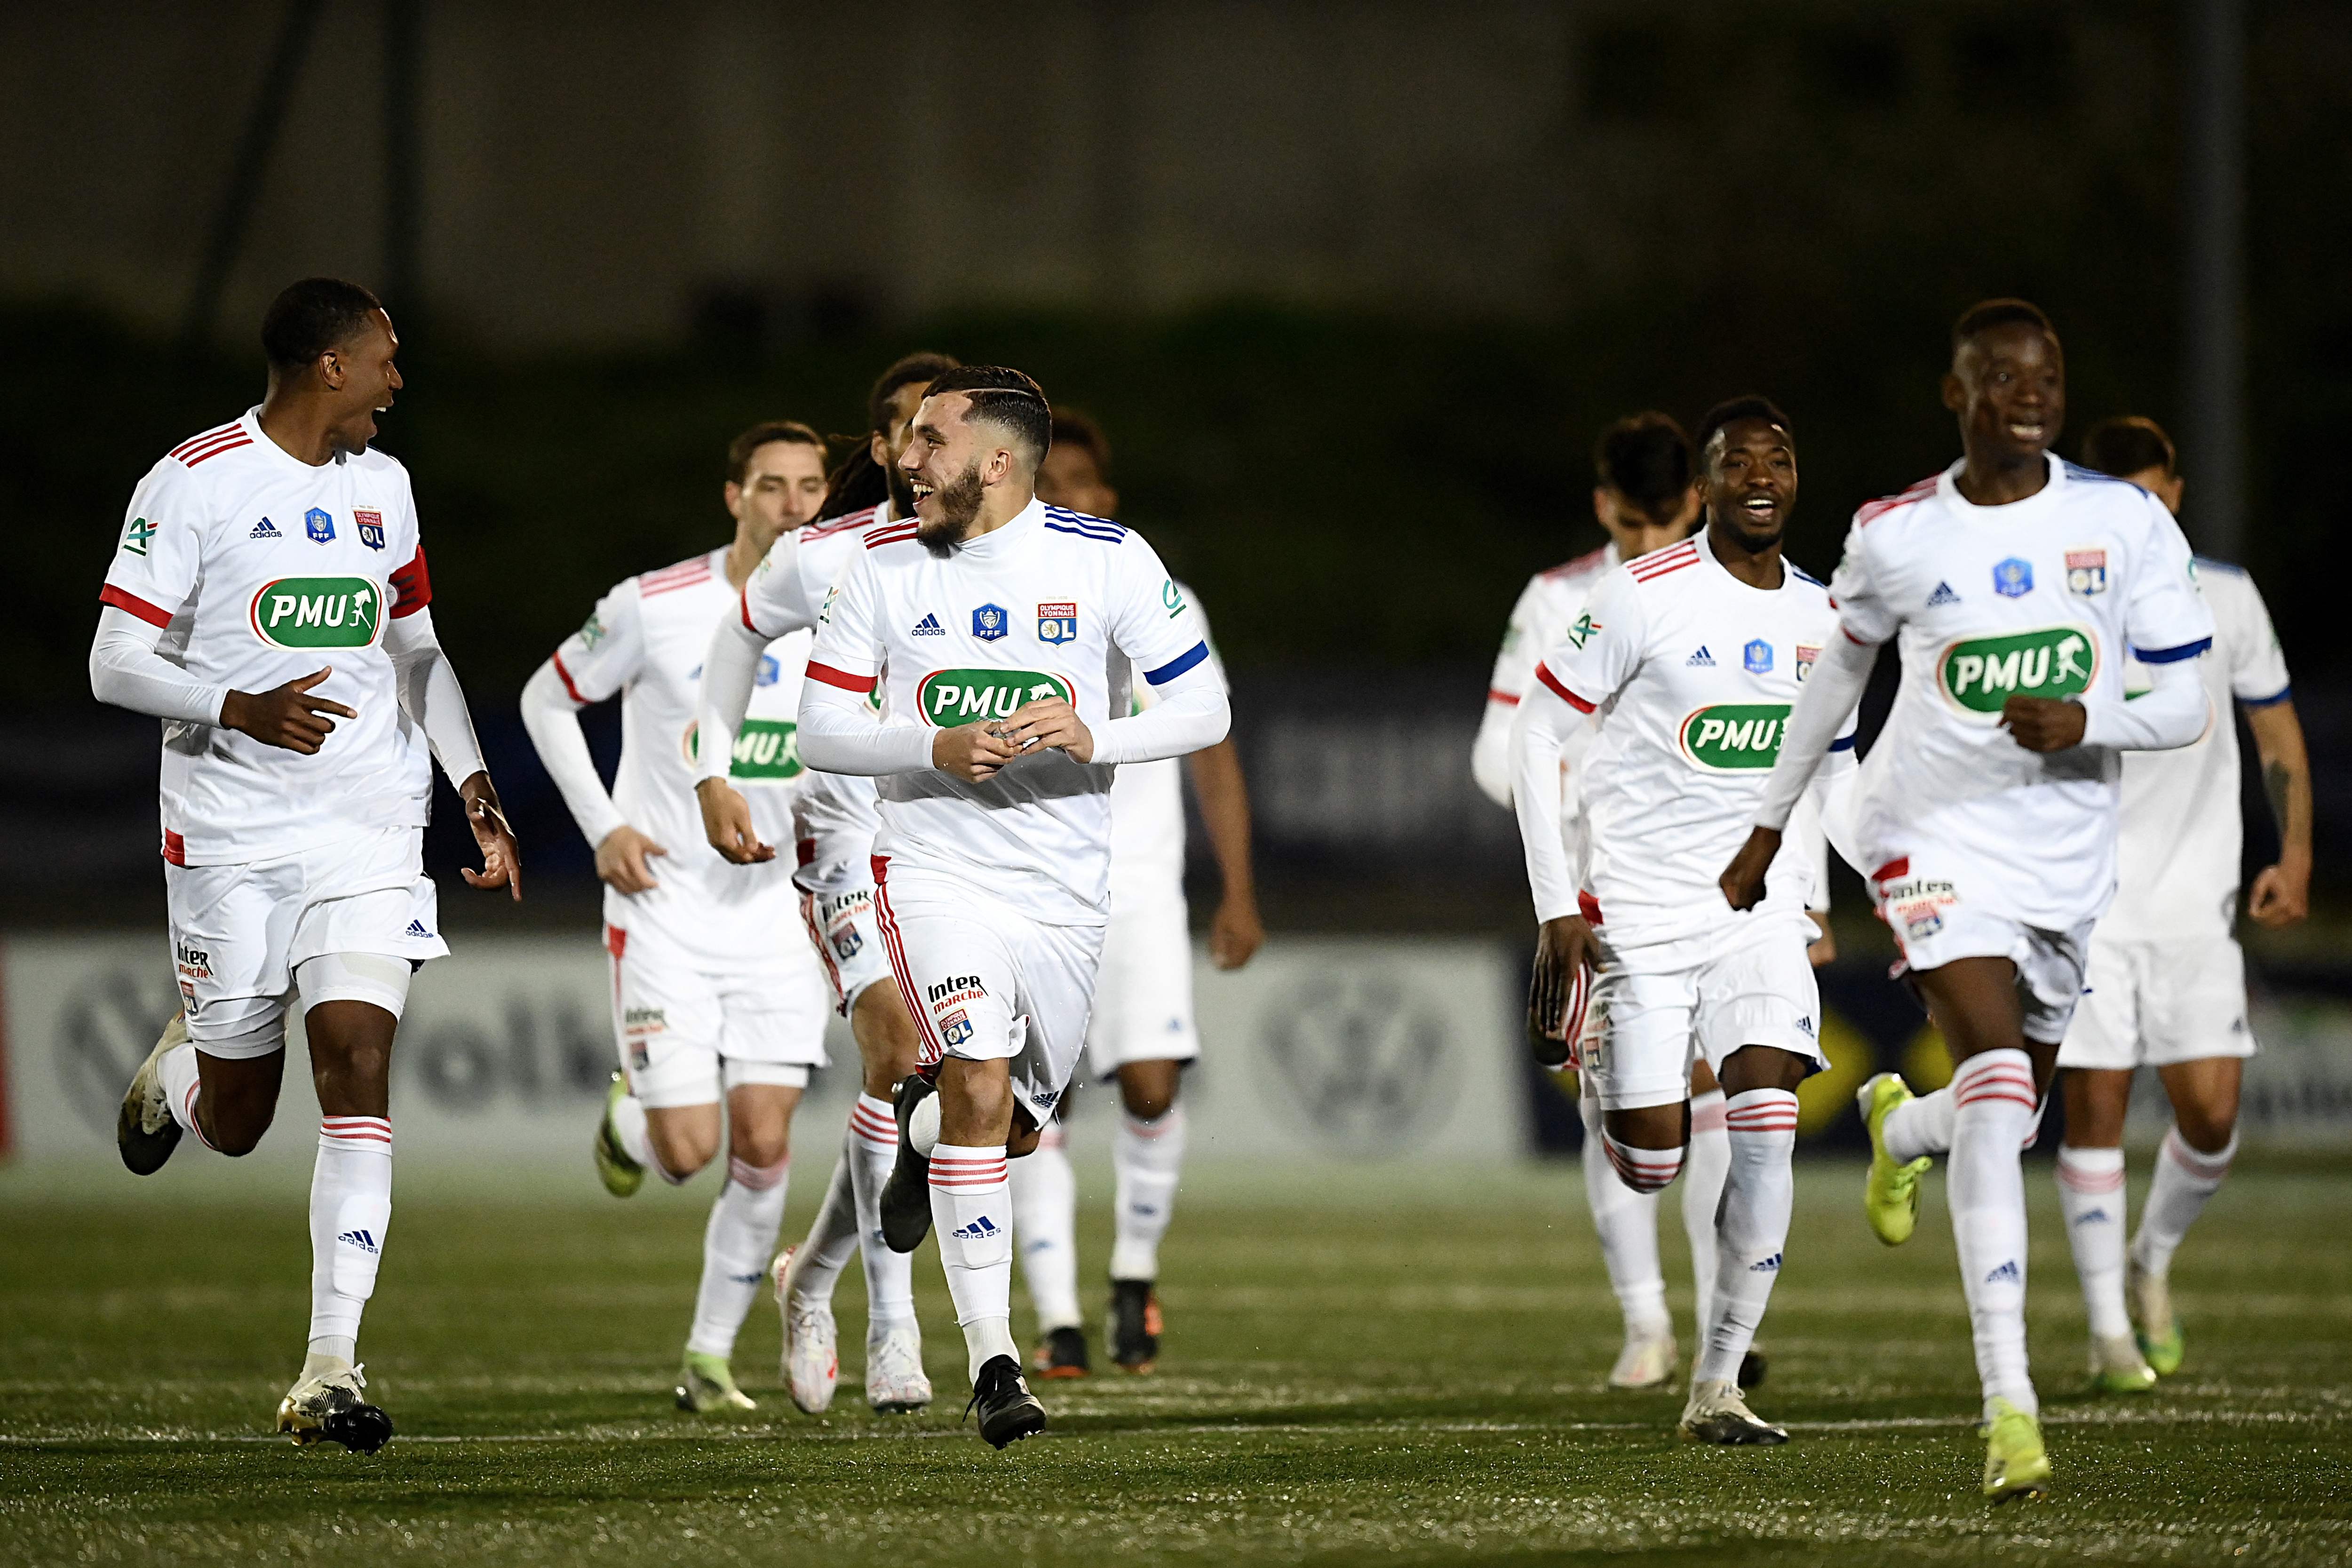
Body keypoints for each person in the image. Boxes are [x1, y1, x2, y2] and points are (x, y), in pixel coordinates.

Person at [1719, 301, 2217, 1500]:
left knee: (2009, 1104)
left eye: (2043, 373)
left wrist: (2089, 720)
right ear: (1957, 395)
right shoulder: (1896, 534)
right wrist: (1769, 825)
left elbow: (2186, 704)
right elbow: (1827, 690)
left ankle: (1902, 1128)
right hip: (1923, 837)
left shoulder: (2124, 521)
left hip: (2065, 861)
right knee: (2001, 1090)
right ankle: (2009, 1403)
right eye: (1998, 376)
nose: (2027, 392)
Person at [103, 278, 521, 1453]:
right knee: (238, 1120)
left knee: (358, 1055)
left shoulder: (383, 487)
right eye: (385, 359)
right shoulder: (192, 482)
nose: (399, 378)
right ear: (330, 366)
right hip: (230, 836)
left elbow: (417, 650)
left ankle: (328, 1365)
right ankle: (179, 1077)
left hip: (368, 826)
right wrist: (232, 701)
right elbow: (114, 660)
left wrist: (473, 786)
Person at [798, 366, 1230, 1448]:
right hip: (933, 871)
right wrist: (929, 744)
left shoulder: (1109, 561)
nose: (906, 457)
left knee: (1011, 1128)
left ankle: (922, 1135)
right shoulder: (877, 565)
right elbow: (818, 730)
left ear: (995, 459)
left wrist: (1101, 735)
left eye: (931, 441)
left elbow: (1206, 705)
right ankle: (994, 1361)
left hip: (1070, 894)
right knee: (979, 1082)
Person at [1517, 398, 1849, 1445]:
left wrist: (1825, 900)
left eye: (1779, 458)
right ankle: (1609, 1046)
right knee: (1653, 1159)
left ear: (1796, 482)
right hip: (1644, 912)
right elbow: (1536, 737)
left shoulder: (1830, 615)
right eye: (1736, 462)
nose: (1761, 474)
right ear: (1703, 488)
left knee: (1764, 1129)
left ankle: (1718, 1382)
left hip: (1761, 917)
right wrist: (1555, 904)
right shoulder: (1637, 596)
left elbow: (1833, 768)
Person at [521, 420, 862, 1414]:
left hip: (780, 918)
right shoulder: (655, 603)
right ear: (734, 496)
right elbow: (547, 700)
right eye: (772, 485)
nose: (794, 504)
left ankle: (709, 1359)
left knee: (764, 1142)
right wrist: (605, 826)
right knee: (685, 1153)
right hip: (663, 906)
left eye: (809, 487)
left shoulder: (845, 610)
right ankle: (634, 1098)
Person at [1477, 413, 1769, 1392]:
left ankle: (1728, 1313)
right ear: (1605, 506)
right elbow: (1498, 751)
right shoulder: (1559, 597)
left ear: (1693, 501)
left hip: (1719, 883)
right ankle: (1646, 1321)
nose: (1645, 539)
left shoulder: (1738, 595)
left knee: (1718, 1094)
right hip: (1597, 890)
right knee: (1628, 1107)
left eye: (1662, 519)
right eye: (1629, 521)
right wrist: (1575, 834)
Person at [696, 352, 956, 1418]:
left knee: (962, 1094)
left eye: (944, 427)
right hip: (846, 837)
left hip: (965, 848)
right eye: (907, 429)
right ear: (885, 445)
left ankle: (811, 1274)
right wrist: (715, 767)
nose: (922, 447)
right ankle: (895, 1329)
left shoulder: (1012, 555)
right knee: (897, 1055)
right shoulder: (824, 554)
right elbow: (737, 635)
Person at [1005, 408, 1264, 1380]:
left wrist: (1236, 888)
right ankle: (1059, 1317)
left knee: (1152, 1083)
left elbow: (1213, 747)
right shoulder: (1005, 594)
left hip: (1144, 889)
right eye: (1050, 480)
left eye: (1081, 481)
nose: (1068, 495)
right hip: (1036, 882)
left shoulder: (1165, 597)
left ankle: (1133, 1270)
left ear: (1107, 499)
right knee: (1037, 1103)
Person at [2052, 416, 2310, 1390]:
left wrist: (2292, 851)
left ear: (2177, 491)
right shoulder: (2053, 597)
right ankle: (2109, 1332)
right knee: (2095, 1113)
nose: (2142, 514)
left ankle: (2148, 1260)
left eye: (2154, 495)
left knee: (2209, 1115)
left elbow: (2277, 738)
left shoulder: (2228, 597)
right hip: (2087, 903)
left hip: (2196, 904)